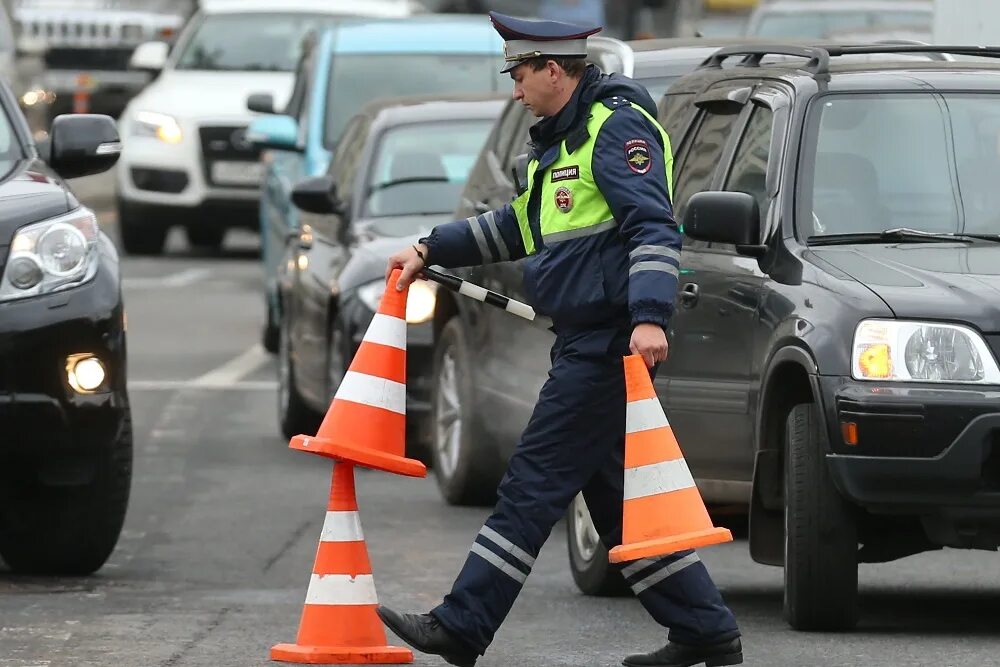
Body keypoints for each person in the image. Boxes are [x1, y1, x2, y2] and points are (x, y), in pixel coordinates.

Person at [376, 11, 742, 667]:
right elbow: (514, 227)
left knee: (530, 486)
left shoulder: (615, 128)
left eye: (519, 74)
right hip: (582, 340)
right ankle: (706, 631)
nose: (515, 90)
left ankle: (462, 625)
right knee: (622, 509)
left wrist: (650, 316)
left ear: (553, 68)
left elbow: (654, 228)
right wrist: (431, 246)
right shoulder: (557, 147)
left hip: (608, 347)